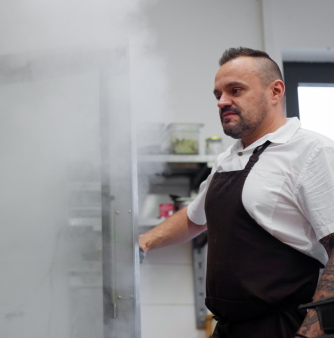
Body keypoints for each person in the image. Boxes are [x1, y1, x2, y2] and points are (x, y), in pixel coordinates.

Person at [139, 47, 334, 338]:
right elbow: (195, 218)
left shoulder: (312, 151)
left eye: (235, 90)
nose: (222, 102)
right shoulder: (228, 158)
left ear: (276, 91)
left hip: (285, 327)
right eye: (218, 94)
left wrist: (308, 334)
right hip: (229, 327)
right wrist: (143, 243)